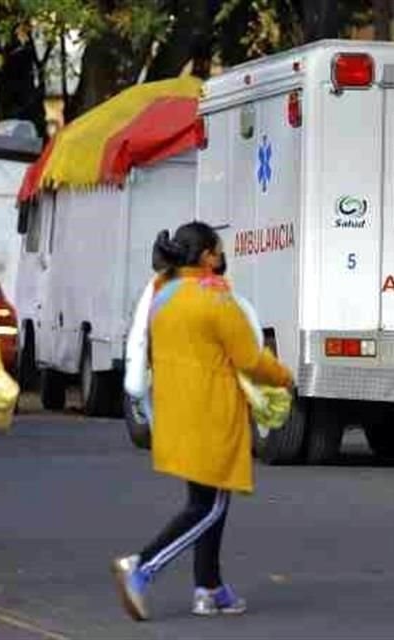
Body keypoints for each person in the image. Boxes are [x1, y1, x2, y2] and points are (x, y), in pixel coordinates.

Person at [112, 222, 293, 621]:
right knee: (210, 506)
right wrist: (284, 377)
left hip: (176, 411)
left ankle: (209, 588)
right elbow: (250, 359)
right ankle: (141, 568)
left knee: (203, 501)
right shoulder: (215, 299)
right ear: (207, 256)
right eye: (219, 250)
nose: (222, 257)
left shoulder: (163, 293)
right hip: (211, 413)